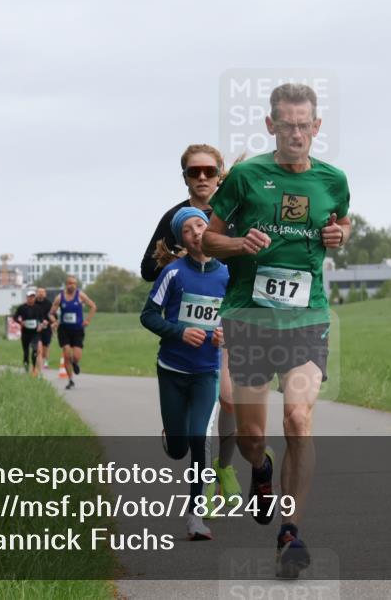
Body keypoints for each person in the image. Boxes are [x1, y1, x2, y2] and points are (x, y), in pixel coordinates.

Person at [202, 83, 351, 579]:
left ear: (316, 127)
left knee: (298, 418)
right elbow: (207, 238)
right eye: (286, 124)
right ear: (271, 126)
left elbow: (341, 224)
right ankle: (260, 469)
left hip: (306, 320)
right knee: (250, 436)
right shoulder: (246, 177)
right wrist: (240, 243)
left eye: (304, 124)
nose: (295, 134)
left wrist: (340, 235)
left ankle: (290, 532)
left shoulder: (333, 179)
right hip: (248, 318)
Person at [140, 144, 243, 515]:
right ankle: (204, 476)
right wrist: (180, 259)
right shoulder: (175, 217)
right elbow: (148, 269)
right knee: (208, 410)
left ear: (219, 174)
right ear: (184, 176)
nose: (201, 178)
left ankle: (224, 468)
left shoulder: (234, 209)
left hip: (227, 315)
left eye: (208, 171)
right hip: (189, 327)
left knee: (229, 399)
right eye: (193, 172)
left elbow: (254, 255)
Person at [141, 207, 228, 541]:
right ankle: (170, 432)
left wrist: (226, 334)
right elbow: (148, 316)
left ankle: (195, 515)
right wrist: (178, 331)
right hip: (173, 369)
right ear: (182, 241)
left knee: (198, 438)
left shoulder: (226, 274)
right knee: (178, 447)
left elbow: (236, 316)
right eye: (187, 229)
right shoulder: (173, 274)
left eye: (200, 225)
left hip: (207, 371)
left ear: (210, 230)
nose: (195, 231)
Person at [49, 275, 96, 390]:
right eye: (70, 283)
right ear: (66, 284)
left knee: (76, 356)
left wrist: (88, 320)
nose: (72, 285)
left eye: (74, 283)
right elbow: (51, 313)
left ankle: (75, 363)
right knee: (66, 354)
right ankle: (70, 380)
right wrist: (55, 321)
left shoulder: (80, 295)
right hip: (64, 330)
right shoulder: (60, 297)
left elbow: (93, 306)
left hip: (78, 330)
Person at [14, 290, 44, 376]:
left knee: (35, 350)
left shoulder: (38, 308)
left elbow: (42, 319)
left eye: (33, 297)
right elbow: (15, 317)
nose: (31, 299)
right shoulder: (22, 307)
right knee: (26, 353)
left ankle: (34, 368)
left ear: (35, 298)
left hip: (35, 332)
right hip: (25, 332)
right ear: (27, 298)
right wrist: (20, 322)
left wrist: (40, 325)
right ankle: (26, 369)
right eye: (29, 297)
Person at [35, 287, 54, 369]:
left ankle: (45, 360)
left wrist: (50, 322)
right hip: (36, 328)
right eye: (39, 292)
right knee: (37, 345)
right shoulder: (33, 303)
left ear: (45, 294)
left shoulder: (49, 303)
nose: (41, 293)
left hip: (46, 328)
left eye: (42, 292)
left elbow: (53, 315)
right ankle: (38, 361)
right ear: (36, 293)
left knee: (46, 346)